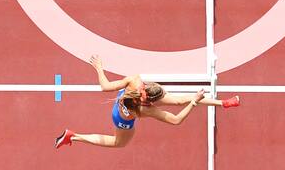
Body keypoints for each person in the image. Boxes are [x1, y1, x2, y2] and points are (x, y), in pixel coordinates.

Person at [55, 54, 239, 149]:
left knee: (178, 101)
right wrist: (193, 103)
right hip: (122, 119)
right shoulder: (144, 111)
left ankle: (223, 103)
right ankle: (74, 136)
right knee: (118, 143)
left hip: (125, 101)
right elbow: (176, 120)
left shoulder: (135, 80)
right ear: (152, 101)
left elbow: (104, 86)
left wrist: (99, 69)